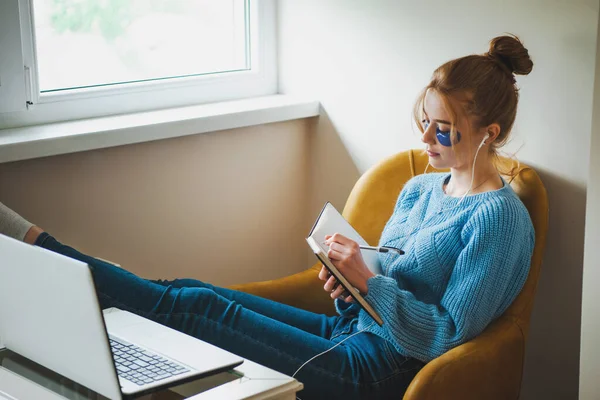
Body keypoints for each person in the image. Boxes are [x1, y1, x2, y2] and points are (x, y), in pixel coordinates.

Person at [0, 34, 535, 400]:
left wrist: (371, 283)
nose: (424, 139)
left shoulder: (500, 220)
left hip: (383, 368)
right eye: (425, 120)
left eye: (442, 128)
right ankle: (53, 264)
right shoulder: (420, 187)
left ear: (488, 131)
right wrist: (348, 282)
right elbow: (387, 280)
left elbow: (448, 335)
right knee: (192, 291)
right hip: (347, 329)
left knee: (198, 307)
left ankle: (38, 244)